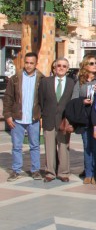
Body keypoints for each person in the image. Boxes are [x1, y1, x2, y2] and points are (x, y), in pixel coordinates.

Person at [4, 52, 44, 182]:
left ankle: (35, 170)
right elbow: (8, 98)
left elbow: (44, 100)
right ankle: (16, 170)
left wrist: (42, 116)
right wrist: (8, 116)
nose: (28, 65)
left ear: (36, 64)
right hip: (17, 118)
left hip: (34, 118)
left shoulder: (41, 79)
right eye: (26, 62)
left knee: (35, 145)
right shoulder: (15, 78)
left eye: (31, 63)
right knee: (16, 146)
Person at [39, 57, 75, 182]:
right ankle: (50, 172)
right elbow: (41, 100)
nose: (61, 68)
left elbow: (72, 102)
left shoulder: (72, 83)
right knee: (49, 147)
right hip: (49, 119)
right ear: (54, 68)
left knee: (64, 147)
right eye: (58, 65)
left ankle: (63, 172)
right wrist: (43, 115)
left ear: (68, 69)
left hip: (64, 121)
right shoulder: (45, 82)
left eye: (64, 66)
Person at [72, 54, 96, 184]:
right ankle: (88, 173)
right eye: (91, 63)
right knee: (87, 146)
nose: (94, 65)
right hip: (85, 117)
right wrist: (82, 101)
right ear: (85, 65)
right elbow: (73, 99)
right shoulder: (80, 81)